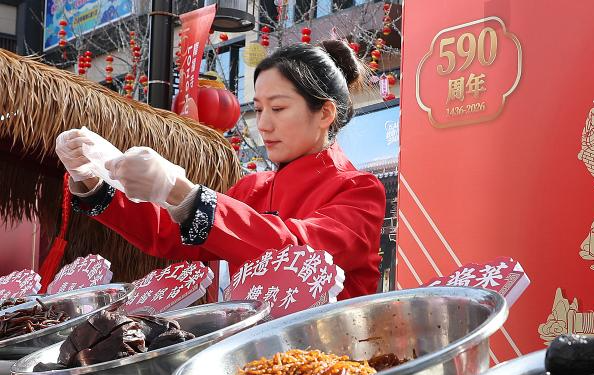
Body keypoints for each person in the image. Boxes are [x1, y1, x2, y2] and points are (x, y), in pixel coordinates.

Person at [54, 40, 386, 300]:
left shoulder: (359, 189)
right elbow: (166, 234)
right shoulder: (252, 188)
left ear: (325, 113)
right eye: (259, 109)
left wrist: (180, 190)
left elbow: (298, 252)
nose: (264, 125)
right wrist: (94, 180)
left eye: (278, 108)